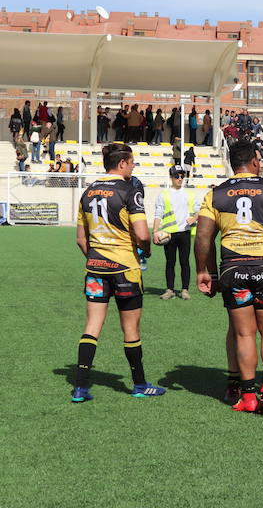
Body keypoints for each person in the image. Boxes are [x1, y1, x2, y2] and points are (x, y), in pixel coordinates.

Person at [194, 140, 263, 413]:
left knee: (243, 334)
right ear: (254, 161)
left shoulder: (216, 193)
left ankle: (248, 395)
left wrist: (204, 271)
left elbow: (204, 236)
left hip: (233, 268)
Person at [70, 143, 165, 402]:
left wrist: (97, 259)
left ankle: (80, 388)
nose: (133, 166)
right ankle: (139, 384)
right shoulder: (129, 190)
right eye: (132, 162)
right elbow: (143, 234)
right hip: (125, 269)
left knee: (92, 326)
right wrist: (145, 250)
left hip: (96, 269)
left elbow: (81, 240)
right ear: (122, 163)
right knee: (131, 329)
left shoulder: (87, 192)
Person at [153, 165, 202, 300]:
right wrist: (155, 231)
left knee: (184, 262)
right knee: (170, 262)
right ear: (171, 178)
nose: (180, 179)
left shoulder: (190, 194)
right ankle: (170, 290)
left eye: (182, 176)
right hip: (169, 234)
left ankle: (184, 290)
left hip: (185, 233)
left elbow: (200, 209)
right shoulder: (164, 194)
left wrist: (194, 218)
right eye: (177, 176)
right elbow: (158, 214)